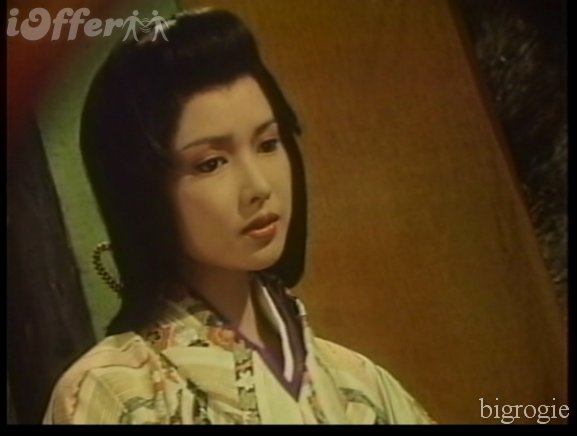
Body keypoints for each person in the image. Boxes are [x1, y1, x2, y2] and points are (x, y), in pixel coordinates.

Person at [43, 8, 434, 424]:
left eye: (268, 144)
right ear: (142, 191)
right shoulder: (111, 393)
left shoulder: (360, 383)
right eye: (211, 163)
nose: (258, 186)